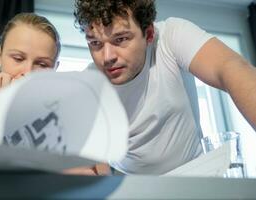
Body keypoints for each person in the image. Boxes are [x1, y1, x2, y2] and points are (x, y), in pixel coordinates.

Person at [73, 0, 256, 175]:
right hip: (131, 187)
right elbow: (95, 168)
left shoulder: (171, 36)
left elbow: (231, 68)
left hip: (196, 175)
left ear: (149, 34)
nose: (107, 57)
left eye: (120, 39)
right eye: (95, 43)